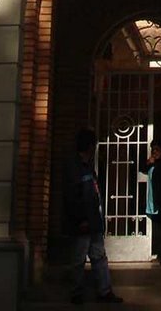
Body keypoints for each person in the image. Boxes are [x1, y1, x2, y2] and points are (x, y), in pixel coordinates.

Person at [62, 127, 123, 305]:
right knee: (79, 258)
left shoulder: (87, 166)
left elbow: (93, 194)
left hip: (93, 221)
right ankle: (77, 293)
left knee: (99, 256)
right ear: (89, 146)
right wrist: (80, 219)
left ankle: (104, 291)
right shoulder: (74, 167)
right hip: (82, 222)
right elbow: (72, 196)